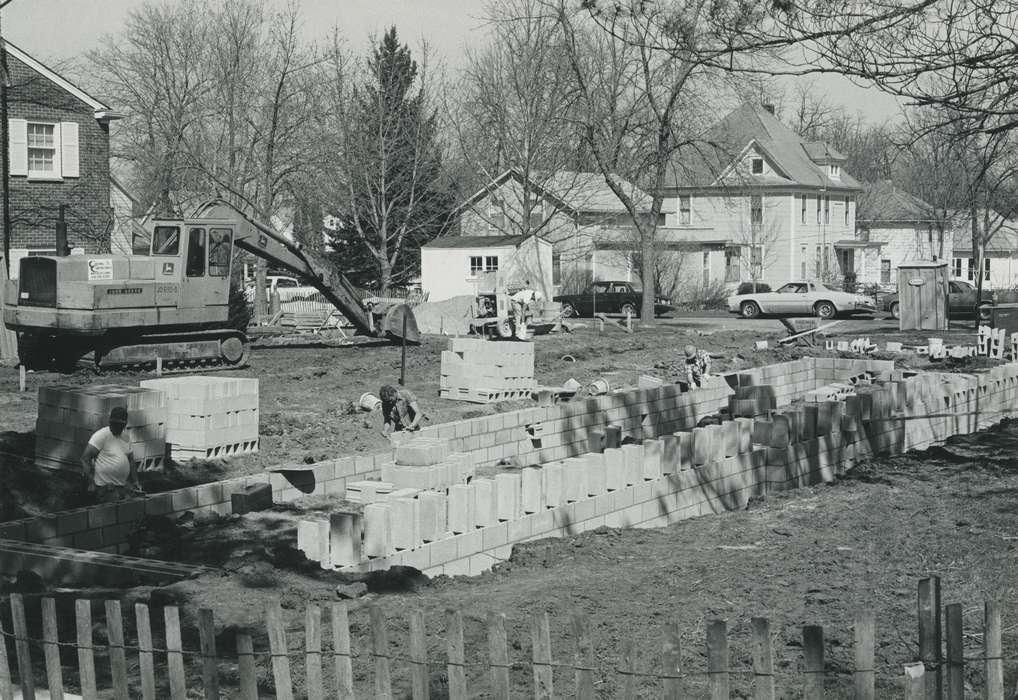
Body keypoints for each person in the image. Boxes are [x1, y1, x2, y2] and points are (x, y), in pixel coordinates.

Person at [80, 406, 143, 503]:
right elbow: (85, 458)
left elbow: (131, 460)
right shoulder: (101, 436)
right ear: (110, 422)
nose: (115, 427)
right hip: (105, 487)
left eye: (119, 425)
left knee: (133, 505)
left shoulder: (126, 437)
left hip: (121, 485)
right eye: (113, 424)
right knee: (116, 507)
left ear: (124, 425)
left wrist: (135, 481)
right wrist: (91, 482)